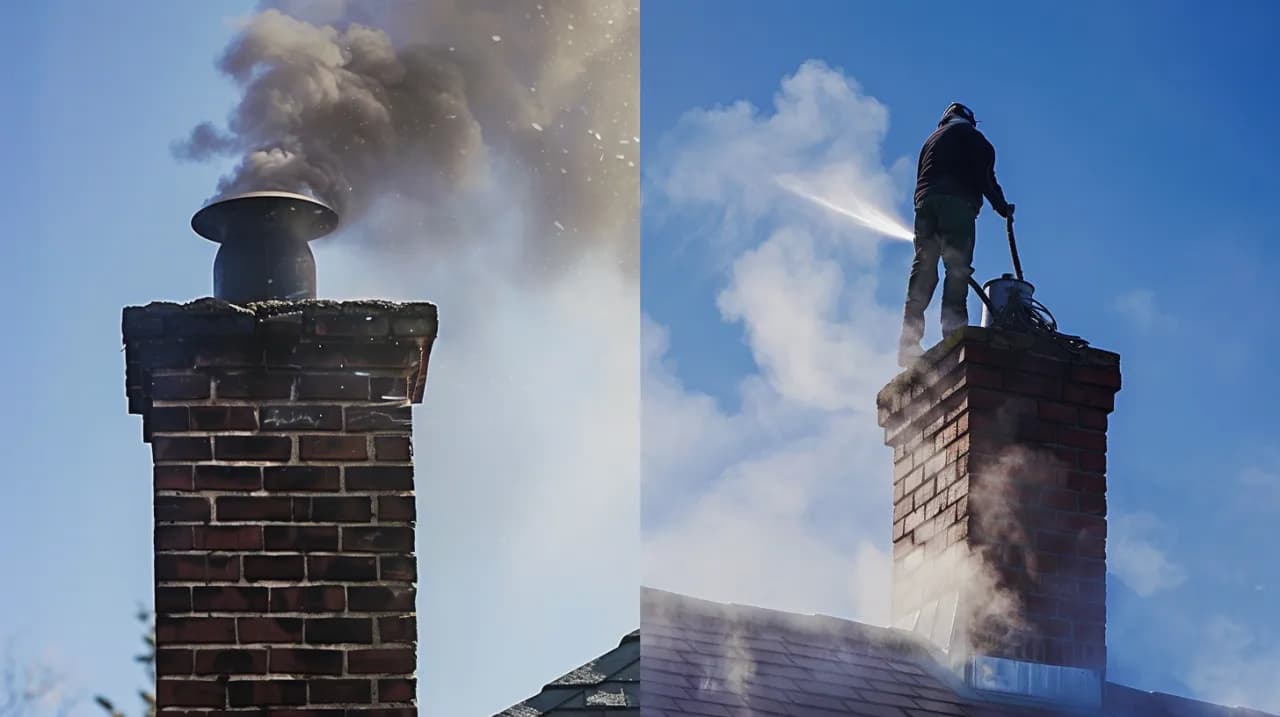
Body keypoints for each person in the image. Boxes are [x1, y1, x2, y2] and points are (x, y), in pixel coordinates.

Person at [898, 102, 1013, 367]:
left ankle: (908, 343)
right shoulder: (974, 139)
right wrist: (1002, 207)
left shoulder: (930, 141)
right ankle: (953, 335)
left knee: (924, 268)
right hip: (957, 205)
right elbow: (985, 178)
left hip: (925, 206)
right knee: (957, 269)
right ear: (969, 121)